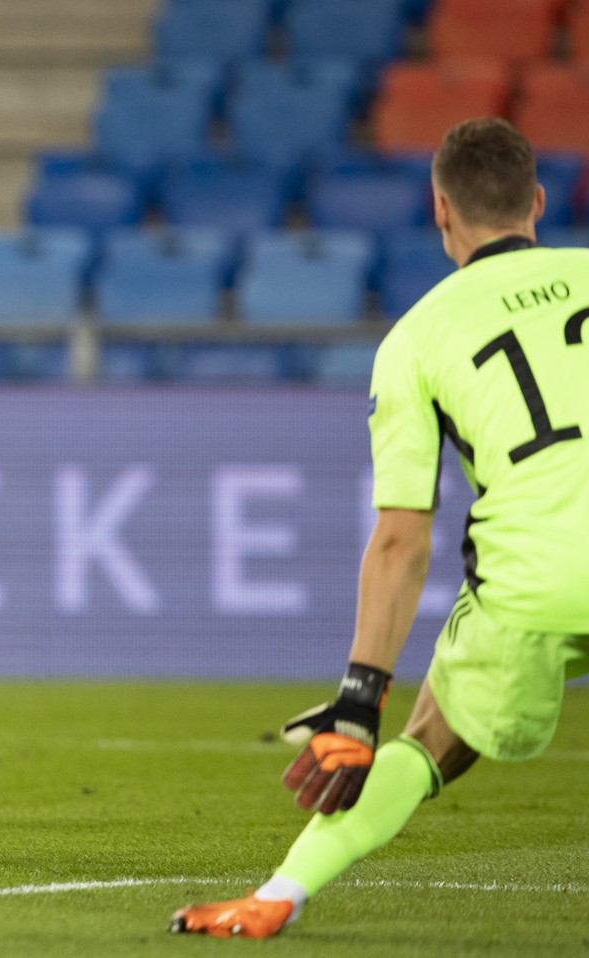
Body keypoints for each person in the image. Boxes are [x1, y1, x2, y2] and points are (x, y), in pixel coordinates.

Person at [171, 117, 589, 937]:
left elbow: (402, 538)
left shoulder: (415, 338)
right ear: (538, 201)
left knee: (433, 740)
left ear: (440, 212)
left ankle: (276, 898)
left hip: (540, 579)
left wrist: (361, 696)